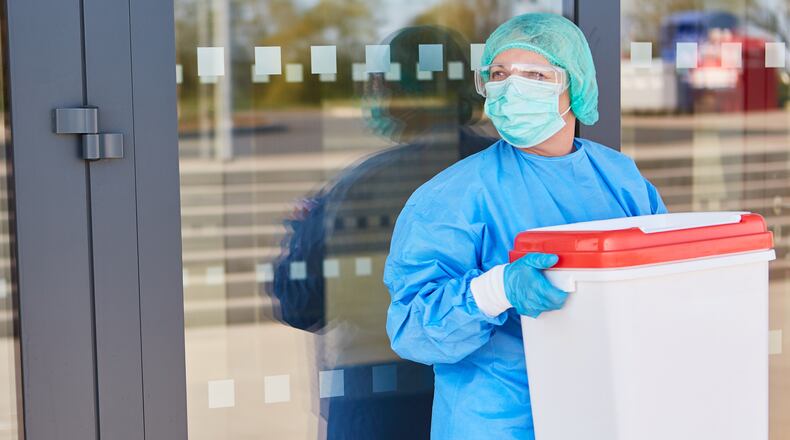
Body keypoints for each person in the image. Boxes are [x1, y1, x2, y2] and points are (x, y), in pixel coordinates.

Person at [383, 13, 667, 440]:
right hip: (496, 422)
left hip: (604, 411)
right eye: (499, 74)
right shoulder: (452, 197)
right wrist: (496, 289)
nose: (512, 87)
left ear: (576, 85)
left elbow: (662, 280)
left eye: (534, 74)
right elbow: (411, 330)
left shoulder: (621, 179)